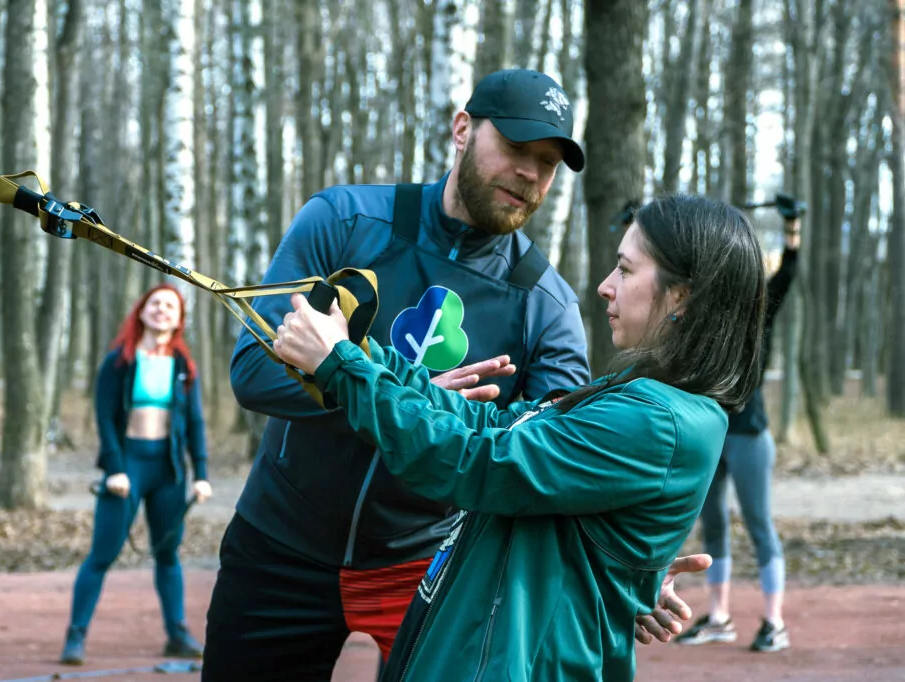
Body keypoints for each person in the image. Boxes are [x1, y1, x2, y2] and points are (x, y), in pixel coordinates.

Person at [202, 68, 707, 681]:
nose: (531, 174)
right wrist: (385, 394)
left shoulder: (545, 304)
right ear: (462, 129)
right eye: (518, 149)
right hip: (281, 544)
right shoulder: (346, 221)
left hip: (423, 567)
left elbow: (557, 467)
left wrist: (630, 571)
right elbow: (253, 370)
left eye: (548, 164)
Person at [272, 193, 767, 681]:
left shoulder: (658, 421)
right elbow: (493, 427)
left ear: (682, 293)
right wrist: (365, 356)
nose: (605, 286)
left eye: (625, 269)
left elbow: (477, 462)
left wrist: (343, 367)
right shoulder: (640, 395)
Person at [675, 195, 804, 653]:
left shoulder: (760, 312)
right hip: (712, 434)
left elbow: (787, 273)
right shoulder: (706, 313)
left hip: (749, 434)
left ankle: (774, 623)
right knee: (712, 524)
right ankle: (719, 618)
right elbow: (675, 273)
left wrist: (792, 226)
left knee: (758, 523)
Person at [60, 283, 213, 665]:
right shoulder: (119, 361)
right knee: (102, 554)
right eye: (156, 304)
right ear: (142, 311)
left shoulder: (183, 366)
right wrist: (114, 468)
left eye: (171, 306)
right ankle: (75, 636)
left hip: (169, 469)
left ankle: (177, 634)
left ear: (179, 319)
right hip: (128, 465)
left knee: (167, 554)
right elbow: (105, 418)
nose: (162, 310)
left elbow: (194, 421)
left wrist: (201, 473)